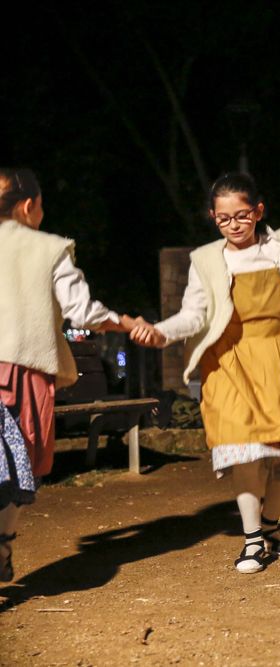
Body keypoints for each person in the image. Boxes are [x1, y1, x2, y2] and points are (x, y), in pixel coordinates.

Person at [131, 172, 280, 574]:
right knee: (241, 446)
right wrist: (161, 332)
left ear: (258, 211)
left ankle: (271, 527)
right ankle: (252, 540)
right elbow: (194, 314)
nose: (233, 225)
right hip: (230, 362)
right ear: (213, 217)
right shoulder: (208, 260)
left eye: (242, 215)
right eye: (224, 218)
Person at [0, 167, 136, 582]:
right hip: (22, 372)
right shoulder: (49, 249)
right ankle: (3, 546)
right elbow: (82, 311)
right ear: (29, 206)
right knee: (16, 467)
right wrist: (123, 321)